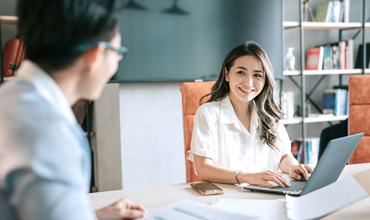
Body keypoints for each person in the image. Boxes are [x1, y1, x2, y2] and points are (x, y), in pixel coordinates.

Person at [0, 0, 147, 219]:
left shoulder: (9, 98)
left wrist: (93, 214)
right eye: (117, 52)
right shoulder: (52, 134)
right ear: (95, 54)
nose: (116, 63)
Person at [188, 42, 313, 188]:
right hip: (227, 199)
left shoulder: (269, 114)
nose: (248, 82)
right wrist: (247, 177)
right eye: (241, 72)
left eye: (257, 75)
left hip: (269, 196)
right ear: (227, 74)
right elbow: (203, 169)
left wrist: (292, 167)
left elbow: (284, 156)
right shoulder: (208, 113)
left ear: (265, 80)